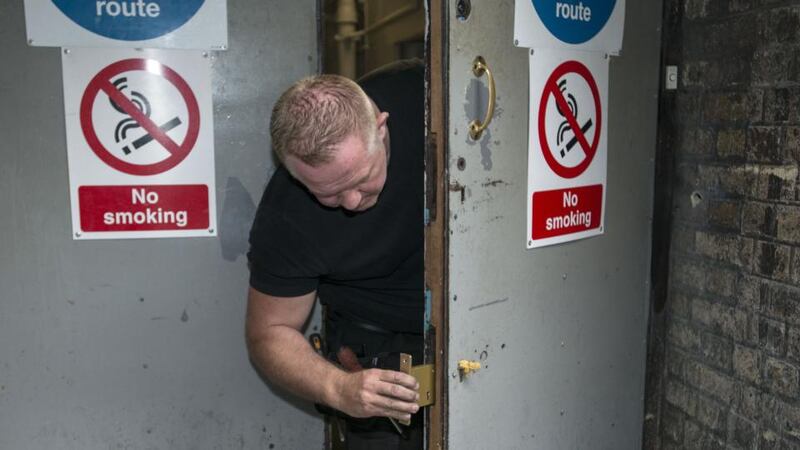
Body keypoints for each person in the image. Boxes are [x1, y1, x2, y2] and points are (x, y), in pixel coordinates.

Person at [245, 60, 425, 449]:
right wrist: (339, 388)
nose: (350, 202)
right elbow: (269, 333)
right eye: (326, 193)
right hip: (374, 345)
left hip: (479, 318)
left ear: (381, 126)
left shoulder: (431, 94)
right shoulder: (287, 218)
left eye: (361, 179)